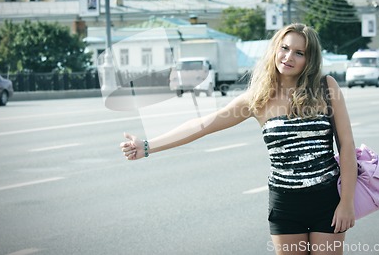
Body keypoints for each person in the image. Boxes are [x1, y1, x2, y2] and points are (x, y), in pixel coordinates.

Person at [120, 23, 357, 255]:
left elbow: (346, 147)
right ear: (275, 49)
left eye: (299, 53)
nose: (288, 57)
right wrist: (148, 146)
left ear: (310, 59)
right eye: (284, 48)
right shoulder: (258, 98)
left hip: (326, 200)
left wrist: (346, 203)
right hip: (286, 204)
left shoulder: (326, 88)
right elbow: (202, 125)